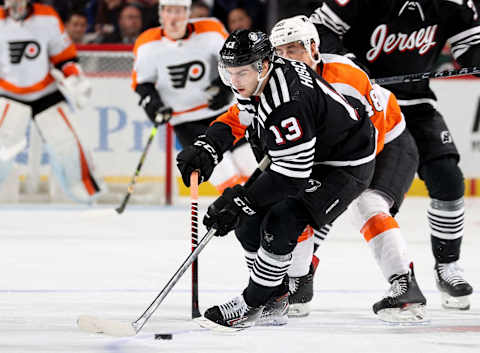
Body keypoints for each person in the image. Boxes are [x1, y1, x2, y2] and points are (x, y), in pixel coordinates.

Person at [176, 29, 377, 330]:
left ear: (264, 65)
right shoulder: (256, 78)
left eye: (241, 73)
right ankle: (276, 297)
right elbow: (242, 116)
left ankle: (253, 302)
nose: (235, 81)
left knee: (283, 219)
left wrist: (241, 201)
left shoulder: (287, 103)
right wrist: (209, 146)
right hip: (309, 152)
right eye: (229, 73)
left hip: (343, 164)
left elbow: (291, 178)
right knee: (248, 225)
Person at [309, 0, 476, 310]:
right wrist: (350, 65)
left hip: (416, 105)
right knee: (335, 186)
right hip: (365, 104)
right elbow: (316, 29)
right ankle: (301, 272)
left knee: (449, 180)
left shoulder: (453, 3)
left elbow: (471, 44)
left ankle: (447, 266)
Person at [269, 15, 426, 322]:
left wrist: (339, 186)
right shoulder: (277, 87)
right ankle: (298, 283)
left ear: (313, 48)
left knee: (366, 204)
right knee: (294, 205)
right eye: (282, 52)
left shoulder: (346, 77)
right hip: (339, 155)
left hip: (386, 144)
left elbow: (376, 132)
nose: (289, 59)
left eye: (296, 50)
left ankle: (405, 285)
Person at [132, 0, 257, 192]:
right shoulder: (147, 43)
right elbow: (142, 83)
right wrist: (153, 105)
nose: (174, 17)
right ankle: (242, 217)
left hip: (224, 114)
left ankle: (271, 215)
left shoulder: (211, 29)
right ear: (161, 13)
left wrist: (225, 89)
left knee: (250, 164)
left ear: (188, 13)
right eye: (169, 11)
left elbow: (235, 62)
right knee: (223, 174)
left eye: (180, 11)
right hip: (186, 121)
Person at [0, 0, 103, 203]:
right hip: (9, 92)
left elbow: (64, 56)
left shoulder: (47, 16)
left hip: (46, 92)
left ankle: (89, 195)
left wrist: (74, 77)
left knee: (70, 144)